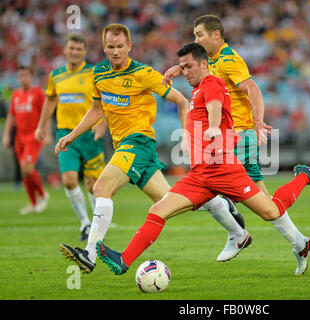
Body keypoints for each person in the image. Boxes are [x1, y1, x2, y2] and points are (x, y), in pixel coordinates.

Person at [96, 42, 310, 277]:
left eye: (189, 67)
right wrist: (179, 69)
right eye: (182, 67)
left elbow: (215, 105)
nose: (185, 72)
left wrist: (215, 127)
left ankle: (304, 176)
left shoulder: (212, 83)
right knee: (158, 210)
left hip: (223, 169)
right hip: (199, 175)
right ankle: (124, 260)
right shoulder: (197, 88)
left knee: (270, 211)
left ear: (204, 64)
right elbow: (197, 71)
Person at [56, 24, 245, 274]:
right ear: (104, 47)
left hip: (138, 142)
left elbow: (181, 100)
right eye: (111, 47)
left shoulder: (143, 73)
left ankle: (89, 254)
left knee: (101, 187)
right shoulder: (99, 73)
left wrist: (187, 137)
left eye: (120, 47)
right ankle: (230, 218)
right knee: (171, 201)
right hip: (124, 145)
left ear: (129, 46)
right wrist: (71, 135)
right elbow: (96, 109)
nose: (115, 52)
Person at [163, 15, 310, 263]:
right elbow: (203, 69)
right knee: (268, 206)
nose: (195, 39)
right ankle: (301, 241)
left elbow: (252, 88)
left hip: (237, 136)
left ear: (216, 35)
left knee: (207, 185)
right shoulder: (212, 61)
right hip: (234, 137)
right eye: (194, 35)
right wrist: (179, 69)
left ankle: (237, 233)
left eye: (199, 34)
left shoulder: (230, 59)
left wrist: (257, 122)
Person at [35, 33, 107, 241]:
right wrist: (41, 126)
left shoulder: (94, 73)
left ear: (84, 52)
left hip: (89, 133)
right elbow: (50, 101)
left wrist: (102, 125)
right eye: (71, 48)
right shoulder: (56, 75)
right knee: (68, 180)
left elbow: (104, 101)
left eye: (78, 49)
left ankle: (96, 223)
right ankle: (85, 222)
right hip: (65, 133)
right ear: (65, 50)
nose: (74, 52)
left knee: (93, 183)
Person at [2, 66, 50, 215]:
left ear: (32, 76)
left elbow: (45, 113)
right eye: (20, 76)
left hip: (34, 136)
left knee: (27, 168)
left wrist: (47, 133)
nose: (23, 79)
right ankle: (33, 204)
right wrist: (6, 135)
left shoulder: (37, 93)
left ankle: (43, 195)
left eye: (25, 75)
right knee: (25, 173)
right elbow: (11, 116)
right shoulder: (15, 95)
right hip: (19, 138)